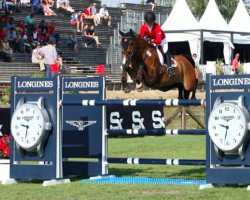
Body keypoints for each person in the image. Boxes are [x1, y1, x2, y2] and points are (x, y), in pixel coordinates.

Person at [140, 11, 174, 77]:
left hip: (162, 40)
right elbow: (142, 37)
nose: (150, 24)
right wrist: (145, 39)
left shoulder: (157, 27)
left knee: (165, 50)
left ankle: (170, 67)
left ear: (154, 21)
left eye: (151, 22)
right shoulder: (143, 27)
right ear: (145, 21)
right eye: (148, 22)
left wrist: (150, 40)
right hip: (150, 40)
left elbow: (158, 41)